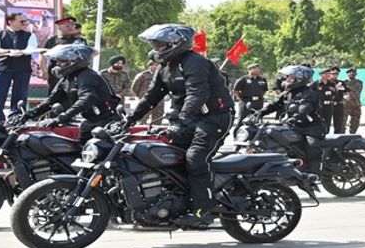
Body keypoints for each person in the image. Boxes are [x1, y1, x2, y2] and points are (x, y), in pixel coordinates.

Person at [128, 24, 234, 227]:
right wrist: (130, 119)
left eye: (159, 44)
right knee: (167, 155)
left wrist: (183, 120)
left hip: (214, 117)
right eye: (154, 44)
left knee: (195, 159)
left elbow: (197, 93)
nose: (155, 48)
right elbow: (151, 97)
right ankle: (175, 201)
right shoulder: (165, 67)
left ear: (175, 43)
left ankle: (203, 210)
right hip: (190, 118)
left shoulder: (196, 63)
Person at [22, 44, 120, 144]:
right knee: (75, 150)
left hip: (107, 123)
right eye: (57, 61)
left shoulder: (87, 77)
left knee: (95, 153)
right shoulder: (67, 79)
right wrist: (27, 115)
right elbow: (51, 100)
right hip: (91, 122)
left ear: (75, 61)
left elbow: (86, 99)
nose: (58, 65)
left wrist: (61, 118)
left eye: (62, 61)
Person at [258, 65, 324, 173]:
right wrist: (260, 113)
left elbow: (304, 108)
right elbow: (274, 104)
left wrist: (296, 116)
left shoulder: (310, 93)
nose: (286, 80)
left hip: (311, 128)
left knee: (312, 148)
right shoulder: (288, 92)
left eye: (289, 77)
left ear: (299, 79)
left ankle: (314, 173)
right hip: (294, 126)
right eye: (286, 77)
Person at [0, 13, 37, 122]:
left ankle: (16, 117)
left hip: (22, 69)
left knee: (20, 94)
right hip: (2, 68)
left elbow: (31, 48)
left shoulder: (30, 35)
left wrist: (21, 52)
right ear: (10, 22)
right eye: (21, 21)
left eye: (25, 21)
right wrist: (10, 51)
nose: (24, 23)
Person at [41, 16, 87, 95]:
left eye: (72, 25)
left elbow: (86, 56)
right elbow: (43, 56)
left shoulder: (81, 41)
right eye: (67, 26)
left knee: (74, 94)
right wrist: (44, 71)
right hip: (57, 72)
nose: (71, 27)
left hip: (75, 72)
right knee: (55, 95)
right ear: (60, 27)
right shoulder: (53, 40)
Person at [233, 63, 268, 128]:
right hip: (246, 101)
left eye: (258, 68)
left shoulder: (262, 79)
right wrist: (241, 99)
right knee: (242, 119)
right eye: (254, 68)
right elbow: (236, 90)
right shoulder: (243, 79)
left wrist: (258, 96)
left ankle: (255, 135)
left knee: (257, 119)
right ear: (249, 70)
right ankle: (238, 134)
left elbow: (264, 90)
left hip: (258, 102)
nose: (257, 70)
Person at [313, 68, 335, 133]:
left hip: (329, 107)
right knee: (319, 123)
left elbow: (334, 94)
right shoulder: (315, 84)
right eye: (327, 73)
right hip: (319, 107)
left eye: (329, 73)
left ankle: (326, 136)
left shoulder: (332, 84)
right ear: (322, 75)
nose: (329, 75)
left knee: (327, 123)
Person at [342, 67, 363, 134]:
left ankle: (352, 135)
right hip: (346, 105)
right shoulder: (343, 83)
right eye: (350, 72)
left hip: (356, 105)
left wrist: (347, 93)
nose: (351, 74)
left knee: (355, 123)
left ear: (356, 74)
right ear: (347, 74)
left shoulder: (359, 82)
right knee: (342, 122)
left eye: (353, 72)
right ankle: (342, 136)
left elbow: (357, 93)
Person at [329, 67, 347, 134]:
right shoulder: (326, 82)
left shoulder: (341, 83)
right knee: (326, 124)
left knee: (338, 124)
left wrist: (346, 96)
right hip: (329, 105)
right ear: (330, 73)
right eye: (333, 73)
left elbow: (345, 92)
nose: (335, 75)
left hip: (339, 105)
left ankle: (337, 140)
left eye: (337, 74)